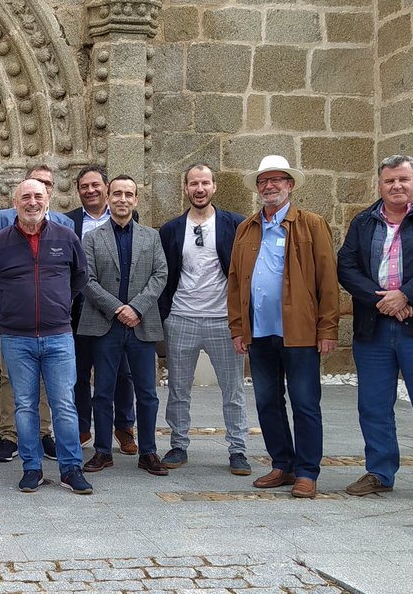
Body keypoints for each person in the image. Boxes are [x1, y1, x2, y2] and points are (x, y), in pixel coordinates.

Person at [338, 155, 413, 508]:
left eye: (403, 179)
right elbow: (346, 267)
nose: (396, 186)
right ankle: (380, 472)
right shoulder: (364, 222)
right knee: (374, 405)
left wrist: (407, 295)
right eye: (390, 180)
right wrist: (383, 301)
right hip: (375, 328)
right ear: (380, 185)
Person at [227, 155, 339, 499]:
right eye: (263, 181)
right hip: (259, 333)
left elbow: (328, 281)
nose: (269, 186)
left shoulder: (311, 224)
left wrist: (328, 329)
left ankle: (307, 472)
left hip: (301, 333)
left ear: (290, 185)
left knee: (305, 402)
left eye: (277, 180)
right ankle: (282, 464)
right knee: (267, 402)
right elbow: (234, 282)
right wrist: (237, 328)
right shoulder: (247, 228)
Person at [0, 179, 92, 494]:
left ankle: (71, 469)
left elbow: (80, 277)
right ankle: (32, 468)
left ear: (48, 199)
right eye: (25, 196)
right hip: (16, 338)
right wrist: (9, 309)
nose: (32, 202)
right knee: (25, 405)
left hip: (58, 336)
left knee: (64, 404)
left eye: (38, 196)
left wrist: (60, 304)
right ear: (15, 202)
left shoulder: (66, 238)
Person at [158, 163, 249, 475]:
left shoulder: (235, 224)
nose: (199, 189)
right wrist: (164, 316)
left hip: (223, 320)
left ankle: (238, 449)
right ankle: (178, 444)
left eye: (205, 183)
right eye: (193, 184)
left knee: (233, 389)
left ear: (214, 187)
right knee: (178, 389)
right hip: (182, 317)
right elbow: (165, 275)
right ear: (185, 188)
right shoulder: (171, 229)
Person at [80, 175, 169, 478]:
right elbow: (87, 280)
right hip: (106, 324)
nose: (122, 199)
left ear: (135, 200)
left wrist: (136, 308)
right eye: (116, 194)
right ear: (107, 197)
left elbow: (160, 275)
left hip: (141, 324)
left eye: (128, 194)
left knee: (147, 393)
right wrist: (118, 308)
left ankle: (148, 452)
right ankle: (103, 451)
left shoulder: (150, 236)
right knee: (103, 391)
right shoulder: (92, 238)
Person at [0, 165, 69, 462]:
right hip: (13, 321)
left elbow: (74, 274)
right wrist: (4, 305)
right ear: (17, 197)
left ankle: (43, 433)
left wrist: (58, 302)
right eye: (32, 188)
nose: (38, 194)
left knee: (49, 381)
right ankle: (9, 435)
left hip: (52, 322)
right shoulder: (2, 219)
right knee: (9, 377)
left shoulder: (64, 224)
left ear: (50, 192)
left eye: (46, 185)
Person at [66, 165, 137, 455]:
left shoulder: (129, 219)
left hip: (118, 310)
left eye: (96, 185)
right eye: (85, 186)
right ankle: (83, 426)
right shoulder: (68, 221)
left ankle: (124, 427)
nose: (91, 190)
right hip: (79, 309)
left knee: (123, 373)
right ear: (78, 191)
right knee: (79, 372)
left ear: (106, 189)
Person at [0, 165, 76, 232]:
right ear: (24, 183)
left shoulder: (65, 222)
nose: (42, 186)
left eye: (47, 183)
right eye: (37, 181)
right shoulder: (3, 218)